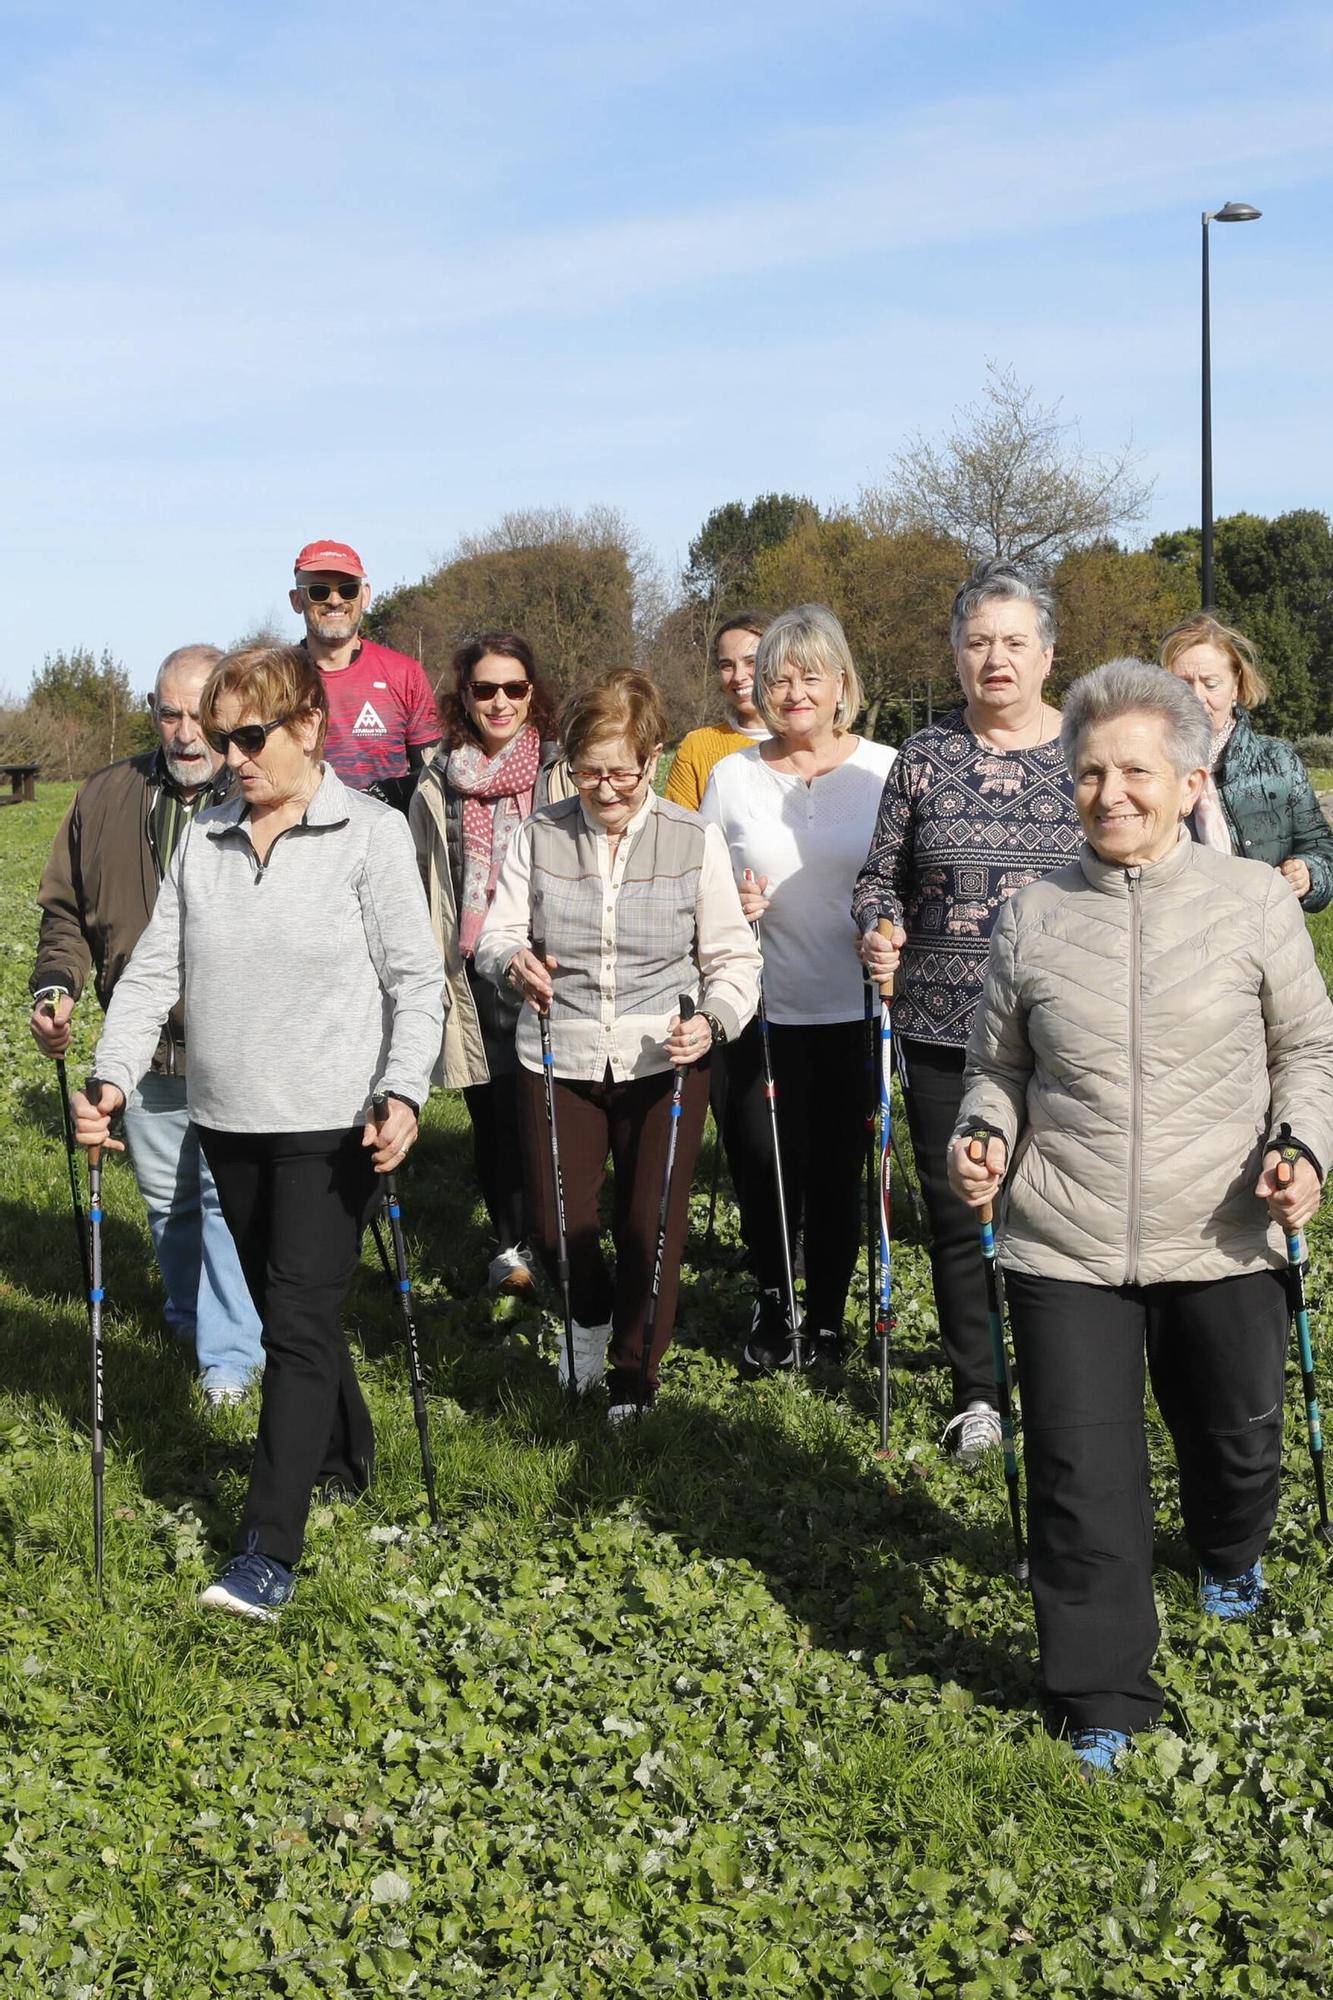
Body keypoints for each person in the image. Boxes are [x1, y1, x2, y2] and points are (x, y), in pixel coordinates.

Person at [948, 660, 1333, 1775]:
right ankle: (1101, 1689)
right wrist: (984, 1130)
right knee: (1079, 1469)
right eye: (1089, 772)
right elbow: (997, 1065)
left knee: (1234, 1431)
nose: (1110, 791)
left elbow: (1307, 1047)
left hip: (1221, 1227)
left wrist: (1301, 1147)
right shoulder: (1030, 916)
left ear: (1189, 778)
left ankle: (1226, 1545)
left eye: (1135, 771)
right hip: (1063, 1232)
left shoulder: (1254, 901)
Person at [71, 645, 444, 1620]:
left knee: (301, 1321)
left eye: (250, 735)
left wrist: (403, 1090)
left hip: (334, 1126)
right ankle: (342, 1456)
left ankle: (266, 1552)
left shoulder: (370, 834)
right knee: (296, 1318)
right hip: (226, 1118)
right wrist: (111, 1074)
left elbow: (415, 980)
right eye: (219, 734)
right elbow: (154, 971)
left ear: (310, 726)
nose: (228, 753)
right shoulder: (206, 837)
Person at [474, 669, 759, 1418]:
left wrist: (714, 1020)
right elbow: (496, 934)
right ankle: (589, 1323)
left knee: (649, 1225)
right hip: (556, 1053)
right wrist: (514, 963)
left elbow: (733, 958)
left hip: (664, 1058)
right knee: (556, 1226)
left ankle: (634, 1376)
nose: (605, 790)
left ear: (654, 757)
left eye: (622, 773)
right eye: (588, 772)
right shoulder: (538, 835)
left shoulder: (693, 838)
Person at [852, 559, 1082, 1463]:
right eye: (978, 641)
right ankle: (977, 1393)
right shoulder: (922, 758)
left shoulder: (1086, 752)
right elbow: (880, 876)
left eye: (1014, 642)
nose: (996, 659)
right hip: (944, 1029)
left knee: (1057, 1214)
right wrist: (878, 923)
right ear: (954, 656)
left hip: (1067, 1034)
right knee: (962, 1211)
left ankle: (1066, 1379)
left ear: (1047, 654)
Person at [28, 644, 263, 1406]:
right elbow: (65, 911)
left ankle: (229, 1361)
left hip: (243, 1046)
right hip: (148, 1050)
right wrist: (57, 984)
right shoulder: (105, 795)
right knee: (169, 1200)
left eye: (201, 714)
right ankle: (192, 1317)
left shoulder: (262, 792)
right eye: (170, 713)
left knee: (228, 1201)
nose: (185, 732)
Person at [700, 604, 895, 1369]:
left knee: (835, 1167)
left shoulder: (885, 770)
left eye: (809, 676)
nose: (791, 692)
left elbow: (908, 877)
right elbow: (702, 882)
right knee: (760, 1161)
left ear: (840, 682)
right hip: (760, 1008)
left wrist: (890, 926)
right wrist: (728, 903)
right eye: (775, 677)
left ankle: (828, 1316)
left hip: (851, 1005)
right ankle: (776, 1301)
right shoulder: (731, 776)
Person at [409, 632, 572, 1295]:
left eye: (514, 688)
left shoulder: (559, 768)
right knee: (496, 1111)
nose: (500, 702)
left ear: (533, 693)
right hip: (473, 968)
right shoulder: (437, 777)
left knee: (556, 1110)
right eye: (484, 689)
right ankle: (512, 1247)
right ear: (465, 697)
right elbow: (424, 879)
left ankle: (563, 1241)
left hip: (552, 966)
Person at [1159, 611, 1333, 910]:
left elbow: (1320, 845)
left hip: (1268, 936)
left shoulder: (1278, 761)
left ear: (1236, 686)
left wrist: (1309, 872)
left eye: (1211, 683)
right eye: (1183, 683)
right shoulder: (1148, 766)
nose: (1196, 697)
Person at [290, 538, 439, 810]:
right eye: (319, 591)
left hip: (387, 842)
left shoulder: (405, 674)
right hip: (304, 842)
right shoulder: (275, 679)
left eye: (347, 590)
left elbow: (432, 774)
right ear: (297, 600)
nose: (335, 601)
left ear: (365, 595)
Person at [664, 610, 773, 811]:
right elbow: (678, 835)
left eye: (752, 662)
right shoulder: (697, 749)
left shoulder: (813, 743)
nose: (739, 676)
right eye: (727, 665)